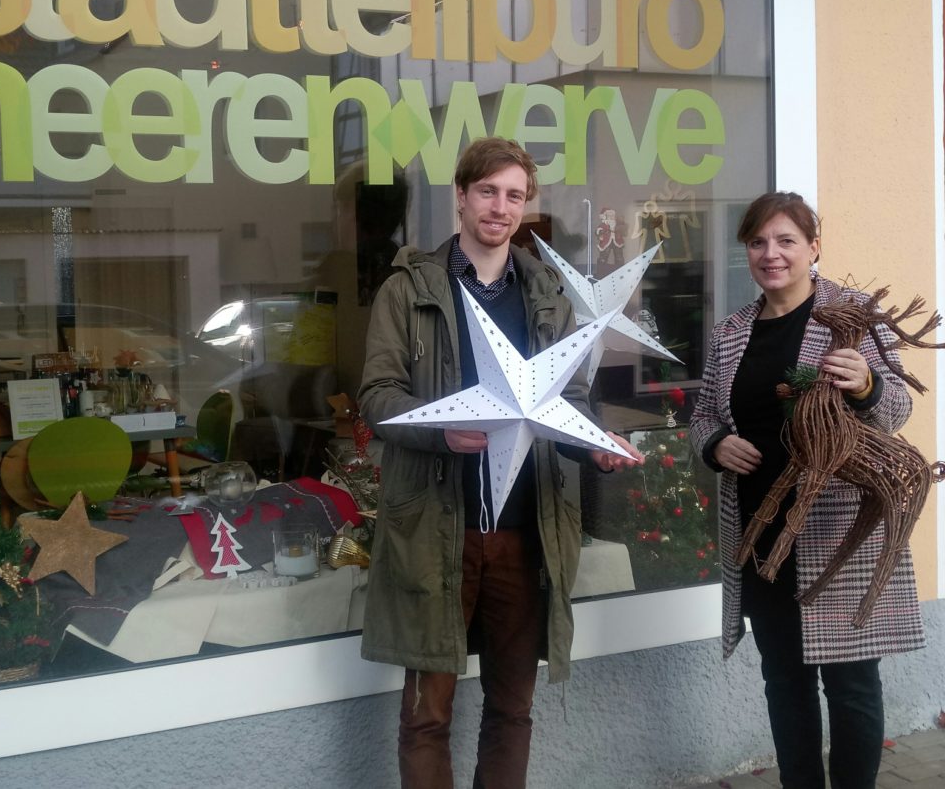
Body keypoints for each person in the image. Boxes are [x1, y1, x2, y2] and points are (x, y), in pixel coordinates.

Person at [358, 137, 642, 788]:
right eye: (488, 191)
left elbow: (567, 402)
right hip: (436, 531)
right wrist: (442, 431)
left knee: (512, 711)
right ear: (461, 197)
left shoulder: (546, 294)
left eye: (514, 195)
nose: (501, 206)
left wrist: (594, 444)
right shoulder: (408, 289)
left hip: (524, 536)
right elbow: (377, 395)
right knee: (427, 717)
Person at [689, 191, 925, 789]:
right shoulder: (731, 333)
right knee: (785, 680)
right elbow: (700, 416)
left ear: (814, 247)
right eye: (759, 242)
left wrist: (869, 384)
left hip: (839, 533)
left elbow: (895, 411)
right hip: (763, 534)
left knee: (850, 685)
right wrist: (715, 442)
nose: (772, 254)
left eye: (786, 241)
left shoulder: (854, 314)